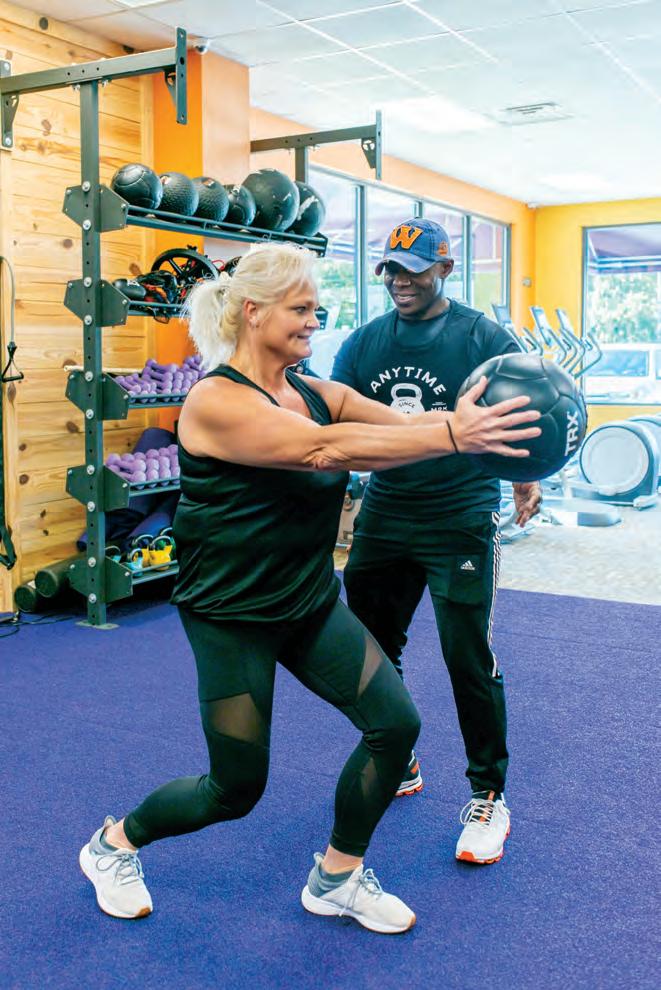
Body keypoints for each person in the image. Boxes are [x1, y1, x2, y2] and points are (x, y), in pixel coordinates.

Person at [79, 243, 541, 932]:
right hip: (231, 614)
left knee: (394, 726)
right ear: (252, 311)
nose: (313, 320)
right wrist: (454, 433)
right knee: (234, 788)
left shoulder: (317, 391)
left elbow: (397, 424)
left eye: (316, 309)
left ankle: (337, 876)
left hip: (306, 601)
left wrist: (480, 430)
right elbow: (324, 449)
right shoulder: (214, 402)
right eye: (300, 308)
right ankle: (113, 845)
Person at [331, 219, 542, 865]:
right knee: (370, 650)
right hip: (386, 512)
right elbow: (335, 421)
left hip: (460, 515)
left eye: (415, 270)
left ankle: (488, 795)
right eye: (391, 270)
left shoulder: (482, 337)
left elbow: (524, 405)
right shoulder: (364, 343)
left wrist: (525, 476)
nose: (400, 281)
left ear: (445, 269)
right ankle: (399, 756)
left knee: (465, 654)